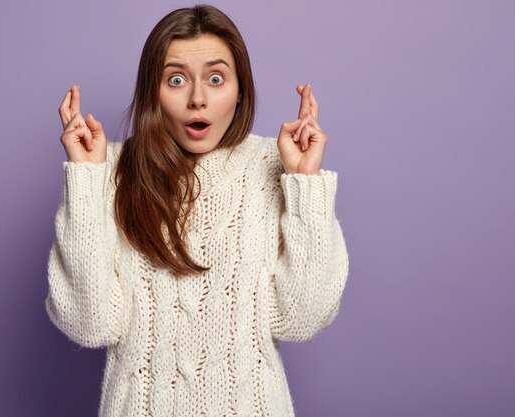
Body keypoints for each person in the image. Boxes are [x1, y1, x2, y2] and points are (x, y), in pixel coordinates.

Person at [45, 4, 349, 417]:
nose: (198, 99)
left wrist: (306, 184)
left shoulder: (274, 165)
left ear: (240, 89)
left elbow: (300, 320)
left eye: (216, 78)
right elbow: (91, 323)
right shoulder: (110, 170)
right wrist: (84, 181)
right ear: (153, 89)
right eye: (175, 80)